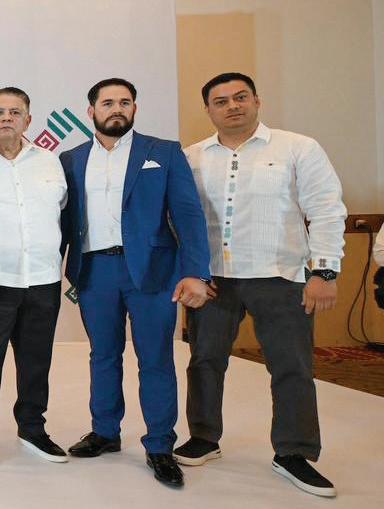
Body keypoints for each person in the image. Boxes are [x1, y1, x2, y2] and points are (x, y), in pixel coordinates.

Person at [178, 72, 346, 498]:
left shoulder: (298, 148)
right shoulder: (192, 157)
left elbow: (327, 209)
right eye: (221, 101)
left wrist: (324, 272)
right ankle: (203, 437)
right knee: (204, 360)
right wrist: (190, 272)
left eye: (240, 97)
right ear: (208, 110)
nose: (232, 106)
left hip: (281, 276)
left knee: (292, 367)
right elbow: (181, 220)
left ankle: (294, 452)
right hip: (214, 280)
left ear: (257, 101)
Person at [60, 78, 212, 488]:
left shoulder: (163, 152)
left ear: (134, 109)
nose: (117, 109)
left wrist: (196, 272)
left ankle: (160, 444)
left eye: (125, 102)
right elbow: (63, 220)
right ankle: (105, 432)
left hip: (153, 271)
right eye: (108, 102)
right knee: (103, 355)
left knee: (156, 357)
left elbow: (188, 215)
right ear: (91, 111)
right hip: (95, 270)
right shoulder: (71, 159)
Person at [0, 87, 69, 465]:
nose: (7, 118)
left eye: (15, 112)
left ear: (28, 120)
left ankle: (32, 428)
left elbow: (65, 214)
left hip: (42, 280)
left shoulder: (50, 162)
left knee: (36, 361)